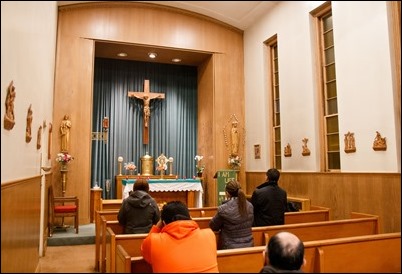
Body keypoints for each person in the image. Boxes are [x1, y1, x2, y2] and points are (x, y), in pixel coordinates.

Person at [141, 201, 219, 273]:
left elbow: (145, 253)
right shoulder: (209, 235)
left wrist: (157, 227)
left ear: (163, 223)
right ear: (190, 218)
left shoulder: (154, 241)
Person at [209, 179, 254, 249]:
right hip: (249, 245)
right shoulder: (250, 206)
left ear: (227, 193)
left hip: (230, 247)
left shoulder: (223, 209)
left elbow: (213, 226)